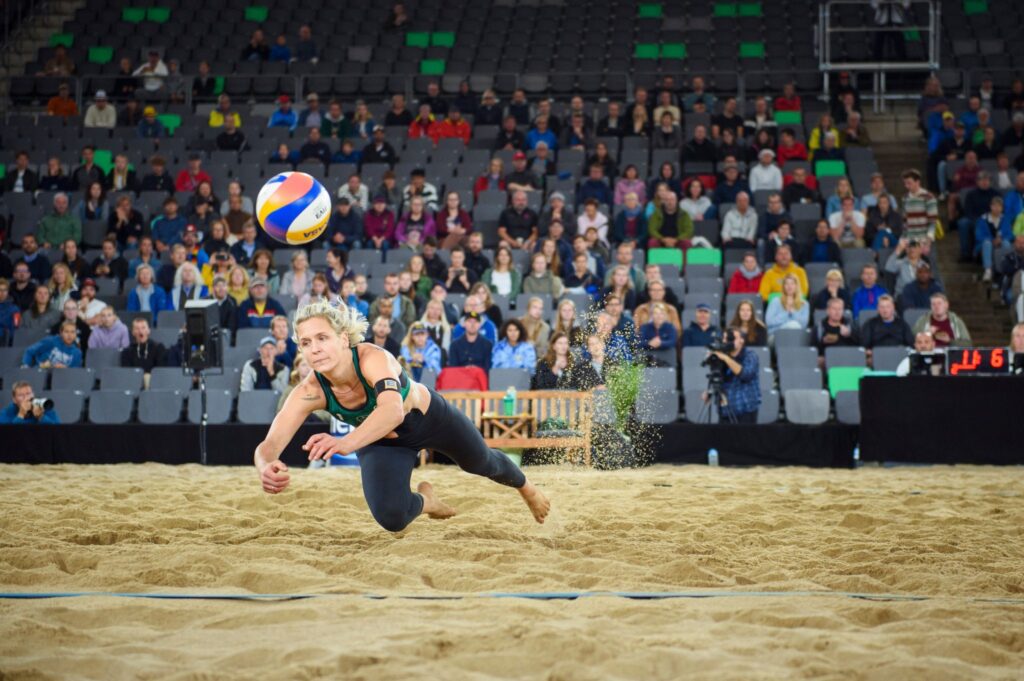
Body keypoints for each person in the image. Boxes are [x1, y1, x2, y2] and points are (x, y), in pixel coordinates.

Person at [703, 328, 760, 424]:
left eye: (731, 338)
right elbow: (719, 376)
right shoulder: (723, 356)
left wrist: (725, 358)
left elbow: (745, 374)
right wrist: (710, 390)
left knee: (744, 439)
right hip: (724, 410)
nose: (726, 341)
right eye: (724, 338)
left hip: (744, 410)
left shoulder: (750, 355)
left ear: (742, 340)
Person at [900, 169, 938, 254]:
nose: (906, 186)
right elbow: (905, 221)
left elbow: (932, 222)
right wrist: (904, 239)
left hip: (924, 239)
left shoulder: (928, 197)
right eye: (905, 183)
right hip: (910, 239)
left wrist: (928, 242)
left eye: (909, 183)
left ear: (917, 182)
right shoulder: (905, 198)